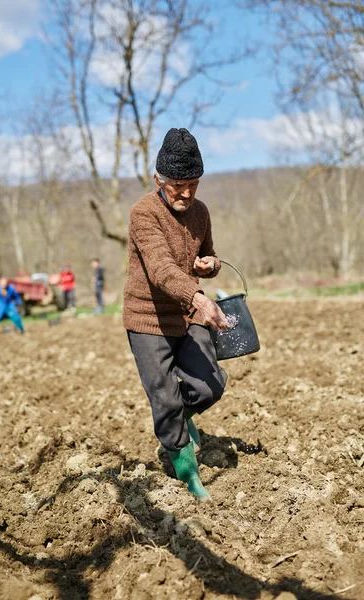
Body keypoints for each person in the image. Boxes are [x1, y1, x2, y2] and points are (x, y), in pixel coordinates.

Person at [123, 127, 230, 502]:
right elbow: (162, 269)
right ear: (159, 179)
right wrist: (200, 297)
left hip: (188, 313)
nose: (186, 194)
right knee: (165, 400)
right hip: (148, 319)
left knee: (210, 384)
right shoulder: (143, 213)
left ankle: (182, 419)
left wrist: (209, 264)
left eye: (193, 184)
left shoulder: (200, 212)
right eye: (177, 185)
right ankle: (188, 474)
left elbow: (209, 253)